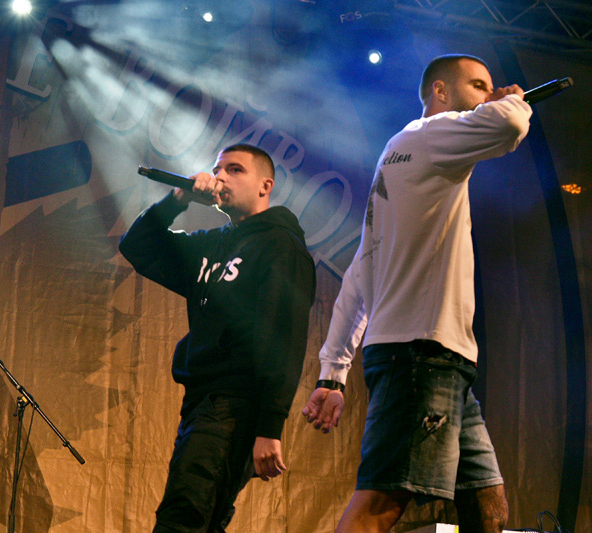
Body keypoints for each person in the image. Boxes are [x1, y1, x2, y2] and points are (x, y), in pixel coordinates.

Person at [302, 54, 532, 532]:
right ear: (440, 92)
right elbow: (509, 125)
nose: (488, 94)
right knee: (380, 504)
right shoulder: (432, 132)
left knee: (487, 506)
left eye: (491, 87)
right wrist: (514, 100)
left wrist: (333, 374)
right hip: (422, 356)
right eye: (478, 85)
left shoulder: (398, 156)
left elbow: (360, 272)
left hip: (435, 359)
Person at [119, 143, 316, 532]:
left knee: (183, 517)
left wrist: (269, 428)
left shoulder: (281, 245)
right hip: (200, 403)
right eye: (217, 169)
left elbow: (284, 339)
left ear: (265, 186)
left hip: (235, 405)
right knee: (201, 520)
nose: (220, 176)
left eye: (235, 169)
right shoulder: (211, 244)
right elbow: (137, 246)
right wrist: (178, 199)